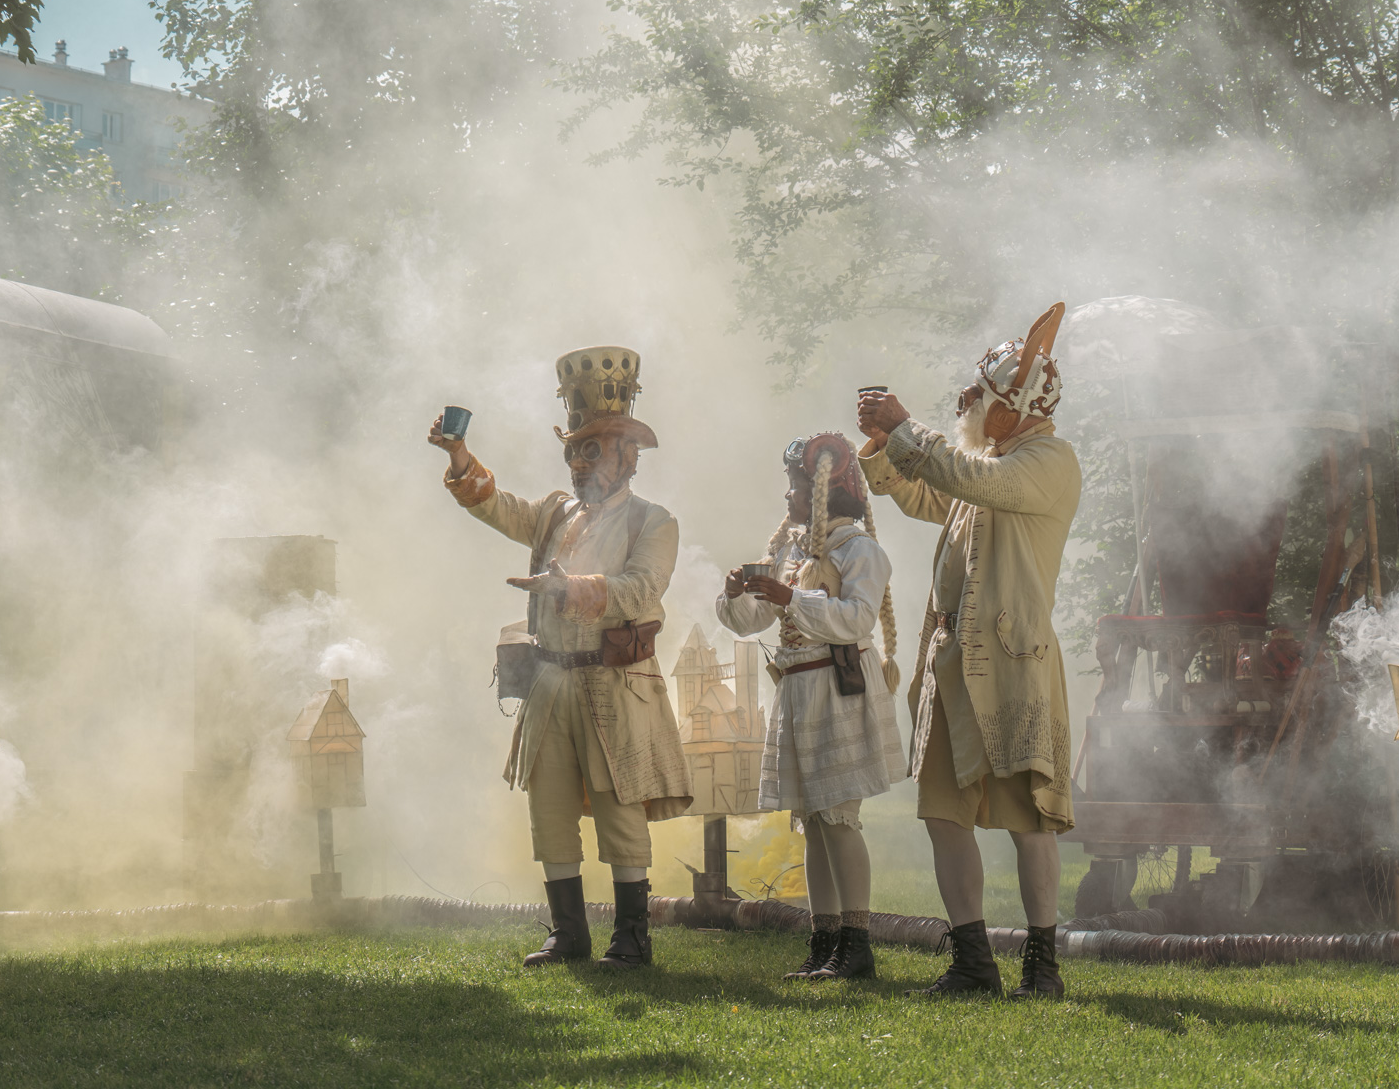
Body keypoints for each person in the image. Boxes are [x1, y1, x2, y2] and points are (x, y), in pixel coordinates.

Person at [430, 346, 692, 970]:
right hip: (551, 679)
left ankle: (632, 939)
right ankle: (568, 935)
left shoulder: (656, 522)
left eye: (592, 449)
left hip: (615, 684)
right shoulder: (554, 511)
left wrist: (568, 589)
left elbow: (639, 592)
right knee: (547, 808)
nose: (579, 461)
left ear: (628, 454)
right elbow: (501, 508)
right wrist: (459, 458)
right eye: (573, 449)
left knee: (618, 809)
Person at [856, 304, 1081, 1000]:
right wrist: (879, 449)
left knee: (1027, 820)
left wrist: (904, 428)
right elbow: (931, 493)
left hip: (1013, 664)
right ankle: (974, 964)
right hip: (951, 664)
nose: (965, 400)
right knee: (941, 813)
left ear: (1013, 406)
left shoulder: (1048, 461)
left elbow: (966, 479)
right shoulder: (985, 463)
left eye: (978, 392)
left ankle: (1042, 968)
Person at [715, 432, 907, 982]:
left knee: (840, 821)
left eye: (796, 487)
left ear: (826, 493)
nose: (789, 498)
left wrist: (790, 599)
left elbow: (856, 619)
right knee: (816, 824)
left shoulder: (860, 550)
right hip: (799, 691)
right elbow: (752, 622)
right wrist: (738, 594)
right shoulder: (794, 551)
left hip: (837, 689)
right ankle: (824, 941)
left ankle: (857, 943)